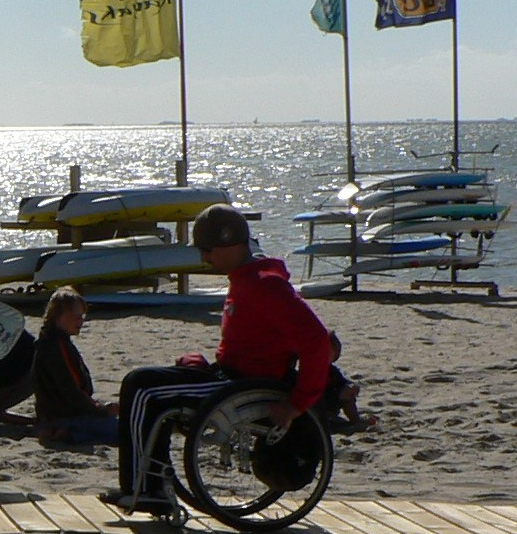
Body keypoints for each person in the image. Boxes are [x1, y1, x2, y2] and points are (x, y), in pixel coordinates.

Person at [104, 204, 335, 512]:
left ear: (232, 244)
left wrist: (297, 404)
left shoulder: (267, 285)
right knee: (151, 390)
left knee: (142, 386)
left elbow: (318, 343)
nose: (204, 257)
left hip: (243, 388)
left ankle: (144, 489)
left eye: (207, 249)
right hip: (229, 379)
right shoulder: (244, 279)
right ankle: (151, 485)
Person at [31, 287, 118, 445]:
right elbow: (72, 392)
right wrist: (102, 410)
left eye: (82, 316)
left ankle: (64, 432)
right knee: (125, 430)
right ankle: (67, 433)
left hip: (53, 414)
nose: (80, 321)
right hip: (65, 417)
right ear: (58, 316)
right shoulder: (58, 346)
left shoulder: (47, 341)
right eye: (75, 316)